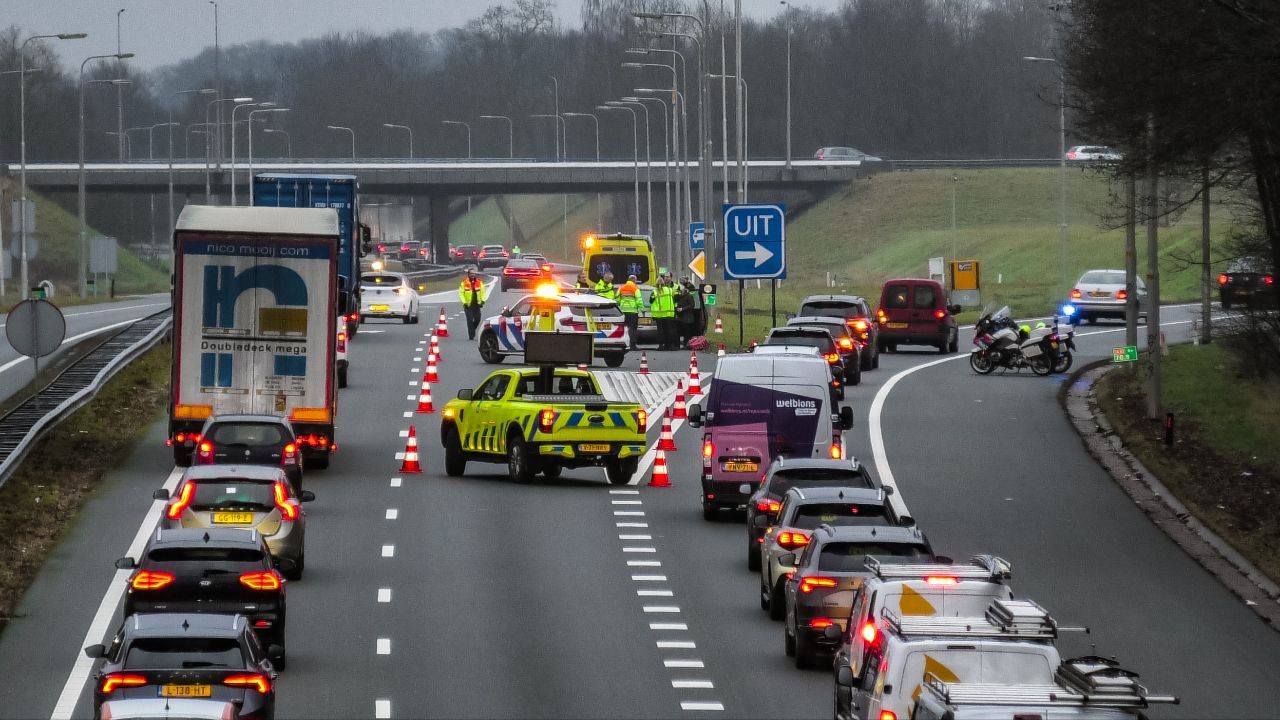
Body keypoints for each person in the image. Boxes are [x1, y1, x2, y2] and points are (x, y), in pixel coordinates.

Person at [458, 268, 488, 340]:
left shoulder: (479, 282)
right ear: (468, 274)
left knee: (478, 319)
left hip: (477, 305)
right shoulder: (464, 283)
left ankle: (472, 330)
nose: (472, 275)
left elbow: (483, 292)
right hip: (468, 305)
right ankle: (471, 335)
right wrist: (464, 302)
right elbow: (461, 293)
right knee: (470, 320)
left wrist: (483, 301)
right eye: (471, 273)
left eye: (473, 273)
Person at [651, 272, 677, 350]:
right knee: (669, 330)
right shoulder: (669, 290)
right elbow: (674, 299)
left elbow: (651, 301)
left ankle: (661, 346)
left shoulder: (655, 291)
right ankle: (671, 345)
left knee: (660, 331)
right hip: (669, 313)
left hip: (659, 314)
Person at [617, 274, 642, 349]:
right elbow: (639, 300)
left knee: (624, 328)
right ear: (634, 280)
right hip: (633, 311)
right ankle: (632, 345)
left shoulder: (621, 288)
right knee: (633, 328)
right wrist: (641, 309)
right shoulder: (635, 288)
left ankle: (624, 343)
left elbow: (617, 299)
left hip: (623, 311)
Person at [676, 277, 699, 346]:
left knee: (687, 332)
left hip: (687, 318)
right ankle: (680, 344)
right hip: (681, 318)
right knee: (681, 331)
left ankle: (686, 344)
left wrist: (682, 309)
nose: (680, 292)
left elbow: (692, 305)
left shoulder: (689, 296)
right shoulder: (679, 297)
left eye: (681, 290)